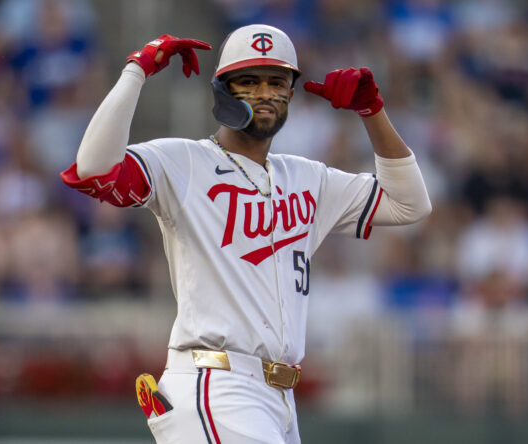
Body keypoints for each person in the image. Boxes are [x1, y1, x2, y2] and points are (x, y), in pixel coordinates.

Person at [60, 24, 431, 444]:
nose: (264, 92)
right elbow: (92, 170)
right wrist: (136, 72)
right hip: (216, 383)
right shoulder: (183, 161)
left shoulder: (308, 178)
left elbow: (409, 204)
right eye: (248, 81)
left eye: (276, 81)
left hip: (280, 400)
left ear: (291, 93)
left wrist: (373, 112)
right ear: (222, 91)